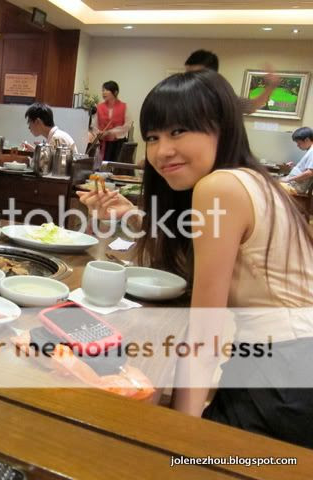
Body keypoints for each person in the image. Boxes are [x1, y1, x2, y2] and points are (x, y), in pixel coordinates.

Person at [78, 70, 313, 447]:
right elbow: (199, 250)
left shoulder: (220, 187)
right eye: (153, 137)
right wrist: (129, 214)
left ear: (222, 127)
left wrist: (179, 439)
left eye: (178, 131)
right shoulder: (248, 180)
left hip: (284, 381)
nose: (162, 151)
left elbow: (205, 334)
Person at [184, 49, 280, 115]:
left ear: (211, 75)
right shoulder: (181, 93)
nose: (189, 79)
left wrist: (271, 86)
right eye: (187, 74)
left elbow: (251, 106)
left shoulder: (221, 97)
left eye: (196, 74)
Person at [93, 81, 131, 163]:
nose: (104, 93)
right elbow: (94, 125)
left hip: (118, 143)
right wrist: (98, 132)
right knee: (101, 165)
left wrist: (111, 132)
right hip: (103, 143)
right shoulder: (99, 107)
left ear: (115, 92)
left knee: (116, 166)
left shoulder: (123, 106)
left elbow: (127, 125)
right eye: (103, 90)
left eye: (107, 90)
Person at [280, 126, 313, 195]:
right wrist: (293, 167)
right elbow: (304, 170)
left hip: (294, 187)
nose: (297, 145)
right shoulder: (310, 151)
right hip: (293, 184)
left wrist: (289, 179)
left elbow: (310, 173)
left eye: (299, 143)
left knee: (268, 185)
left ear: (307, 140)